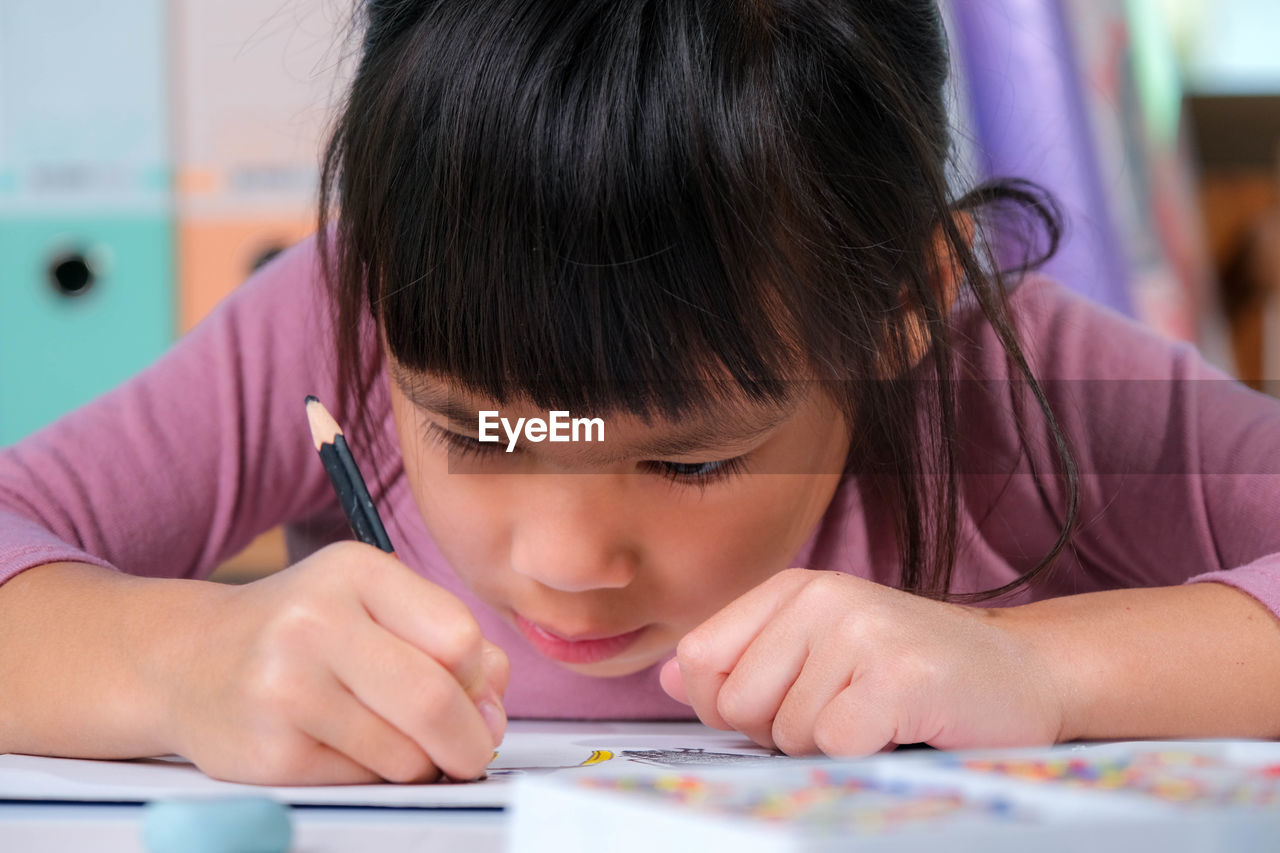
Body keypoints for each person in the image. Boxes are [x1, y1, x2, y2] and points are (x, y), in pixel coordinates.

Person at [2, 0, 1279, 787]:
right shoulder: (333, 316)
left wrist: (1037, 670)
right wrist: (181, 661)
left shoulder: (1004, 378)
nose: (561, 563)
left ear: (902, 301)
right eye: (476, 430)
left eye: (687, 463)